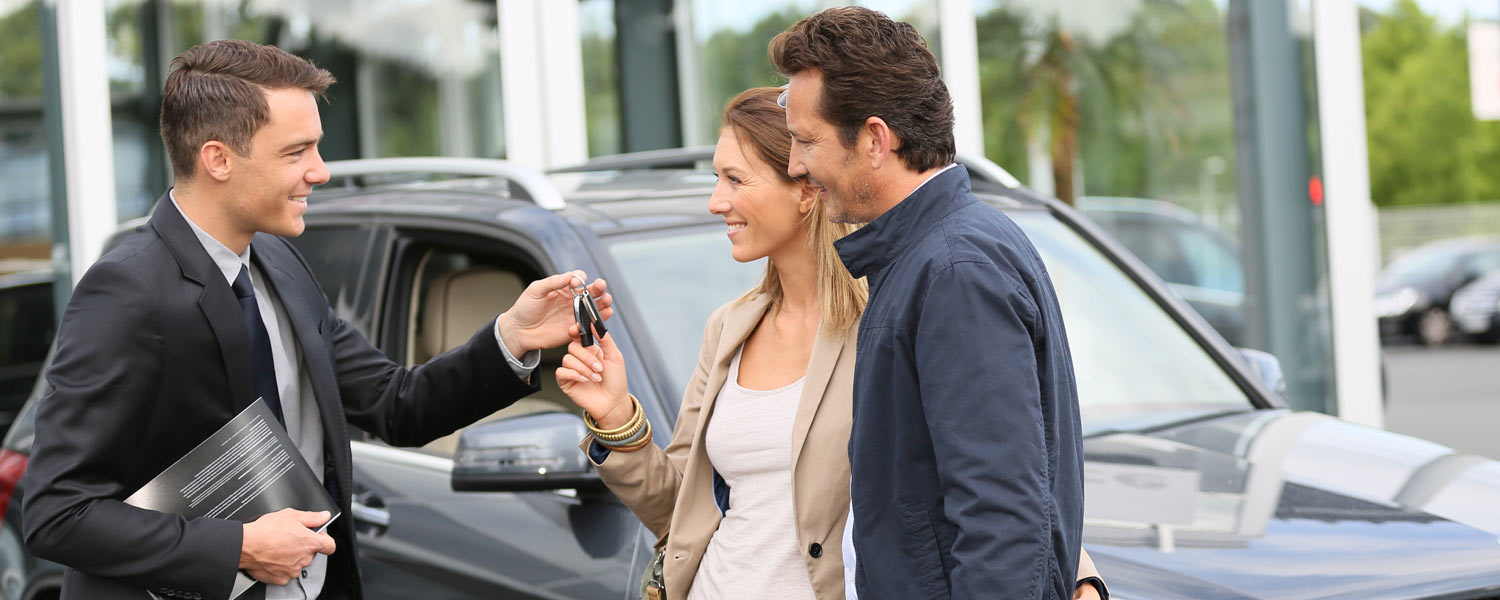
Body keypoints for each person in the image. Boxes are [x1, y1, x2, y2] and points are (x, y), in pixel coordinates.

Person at [20, 39, 610, 600]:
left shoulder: (278, 261)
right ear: (217, 159)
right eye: (296, 152)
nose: (320, 171)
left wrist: (513, 337)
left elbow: (397, 404)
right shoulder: (125, 290)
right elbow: (56, 513)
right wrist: (239, 546)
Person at [555, 88, 1103, 600]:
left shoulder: (890, 315)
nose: (715, 201)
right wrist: (616, 417)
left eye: (735, 180)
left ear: (805, 187)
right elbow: (684, 513)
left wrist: (1080, 579)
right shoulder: (728, 327)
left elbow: (996, 472)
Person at [770, 7, 1089, 599]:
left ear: (873, 139)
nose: (795, 165)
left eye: (805, 141)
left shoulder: (953, 272)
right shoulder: (936, 254)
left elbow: (1001, 521)